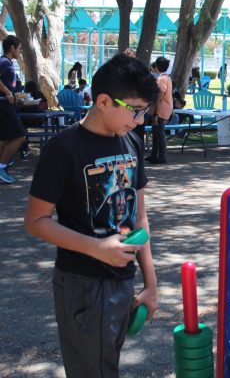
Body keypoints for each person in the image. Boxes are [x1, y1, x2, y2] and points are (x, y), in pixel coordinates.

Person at [24, 54, 159, 377]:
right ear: (103, 101)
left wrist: (151, 283)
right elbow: (35, 221)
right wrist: (96, 248)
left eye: (145, 111)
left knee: (105, 364)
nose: (140, 119)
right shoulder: (63, 148)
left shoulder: (132, 142)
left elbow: (139, 218)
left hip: (123, 280)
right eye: (136, 110)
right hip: (82, 284)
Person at [0, 35, 26, 184]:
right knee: (19, 135)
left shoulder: (6, 63)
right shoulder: (5, 63)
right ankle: (2, 167)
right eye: (19, 49)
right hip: (4, 106)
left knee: (3, 139)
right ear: (12, 48)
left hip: (5, 104)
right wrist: (8, 92)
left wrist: (16, 95)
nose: (20, 51)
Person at [147, 56, 173, 164]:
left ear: (156, 66)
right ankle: (154, 155)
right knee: (156, 133)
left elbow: (159, 97)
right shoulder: (167, 78)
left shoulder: (161, 79)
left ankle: (162, 157)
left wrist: (156, 114)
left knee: (159, 133)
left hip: (161, 110)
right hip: (165, 108)